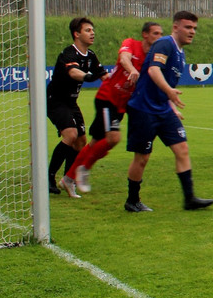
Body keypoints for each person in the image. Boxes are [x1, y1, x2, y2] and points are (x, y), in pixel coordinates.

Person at [123, 10, 213, 212]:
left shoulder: (181, 53)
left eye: (194, 28)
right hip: (143, 109)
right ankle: (132, 200)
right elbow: (153, 70)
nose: (192, 32)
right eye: (188, 27)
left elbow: (165, 82)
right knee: (142, 157)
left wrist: (171, 104)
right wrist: (170, 93)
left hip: (163, 109)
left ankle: (189, 199)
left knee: (182, 149)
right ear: (175, 27)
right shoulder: (165, 44)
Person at [66, 21, 164, 192]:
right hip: (107, 97)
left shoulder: (153, 58)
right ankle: (85, 169)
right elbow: (124, 58)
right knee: (113, 138)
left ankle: (68, 178)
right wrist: (132, 69)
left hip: (121, 104)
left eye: (161, 34)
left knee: (96, 143)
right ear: (145, 34)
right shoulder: (130, 44)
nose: (159, 37)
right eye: (155, 33)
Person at [46, 17, 105, 197]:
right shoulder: (68, 53)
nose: (92, 33)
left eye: (92, 30)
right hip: (55, 100)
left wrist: (121, 86)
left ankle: (68, 180)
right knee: (70, 134)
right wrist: (88, 77)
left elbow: (104, 76)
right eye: (88, 30)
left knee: (80, 142)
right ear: (76, 34)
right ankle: (49, 178)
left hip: (71, 102)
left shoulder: (91, 56)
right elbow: (73, 72)